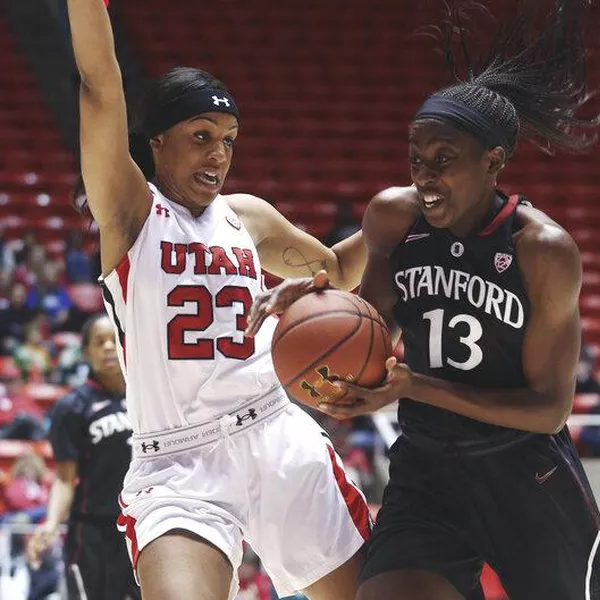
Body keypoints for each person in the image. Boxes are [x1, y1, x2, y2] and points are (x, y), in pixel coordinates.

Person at [251, 1, 600, 598]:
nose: (425, 177)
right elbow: (369, 328)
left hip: (525, 470)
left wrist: (416, 386)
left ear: (493, 161)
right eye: (417, 160)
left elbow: (550, 409)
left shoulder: (543, 250)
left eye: (443, 162)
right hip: (429, 466)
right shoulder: (394, 217)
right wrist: (316, 304)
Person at [65, 1, 369, 598]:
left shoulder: (247, 218)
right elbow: (100, 87)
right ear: (155, 143)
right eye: (200, 137)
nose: (219, 154)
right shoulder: (132, 213)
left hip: (276, 433)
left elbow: (335, 271)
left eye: (229, 140)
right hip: (179, 462)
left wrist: (400, 216)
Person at [26, 314, 139, 600]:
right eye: (99, 342)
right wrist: (51, 523)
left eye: (113, 340)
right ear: (87, 352)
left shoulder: (147, 397)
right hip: (93, 532)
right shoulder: (73, 407)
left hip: (143, 523)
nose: (108, 348)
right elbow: (65, 479)